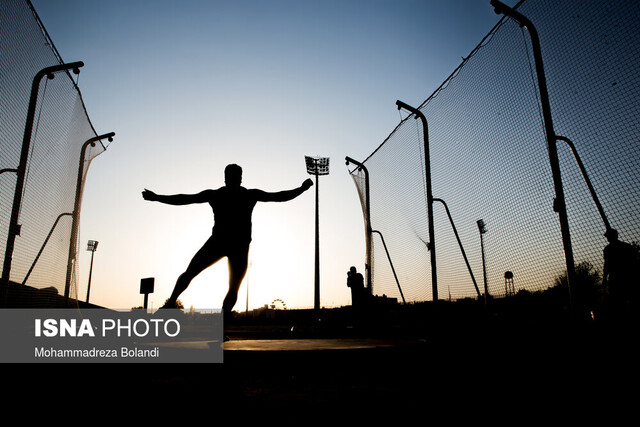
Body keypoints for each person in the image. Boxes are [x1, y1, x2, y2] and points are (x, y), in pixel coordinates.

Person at [142, 164, 313, 317]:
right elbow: (185, 198)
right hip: (226, 243)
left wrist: (301, 189)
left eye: (235, 176)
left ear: (238, 178)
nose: (233, 179)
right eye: (231, 176)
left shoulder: (241, 195)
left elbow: (279, 196)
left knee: (228, 286)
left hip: (231, 244)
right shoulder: (226, 195)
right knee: (196, 274)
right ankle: (172, 302)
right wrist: (157, 197)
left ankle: (182, 306)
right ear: (228, 178)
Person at [602, 228, 638, 309]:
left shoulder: (608, 249)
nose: (607, 238)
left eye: (608, 236)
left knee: (618, 300)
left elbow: (607, 265)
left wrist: (604, 278)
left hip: (618, 277)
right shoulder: (627, 247)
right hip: (624, 276)